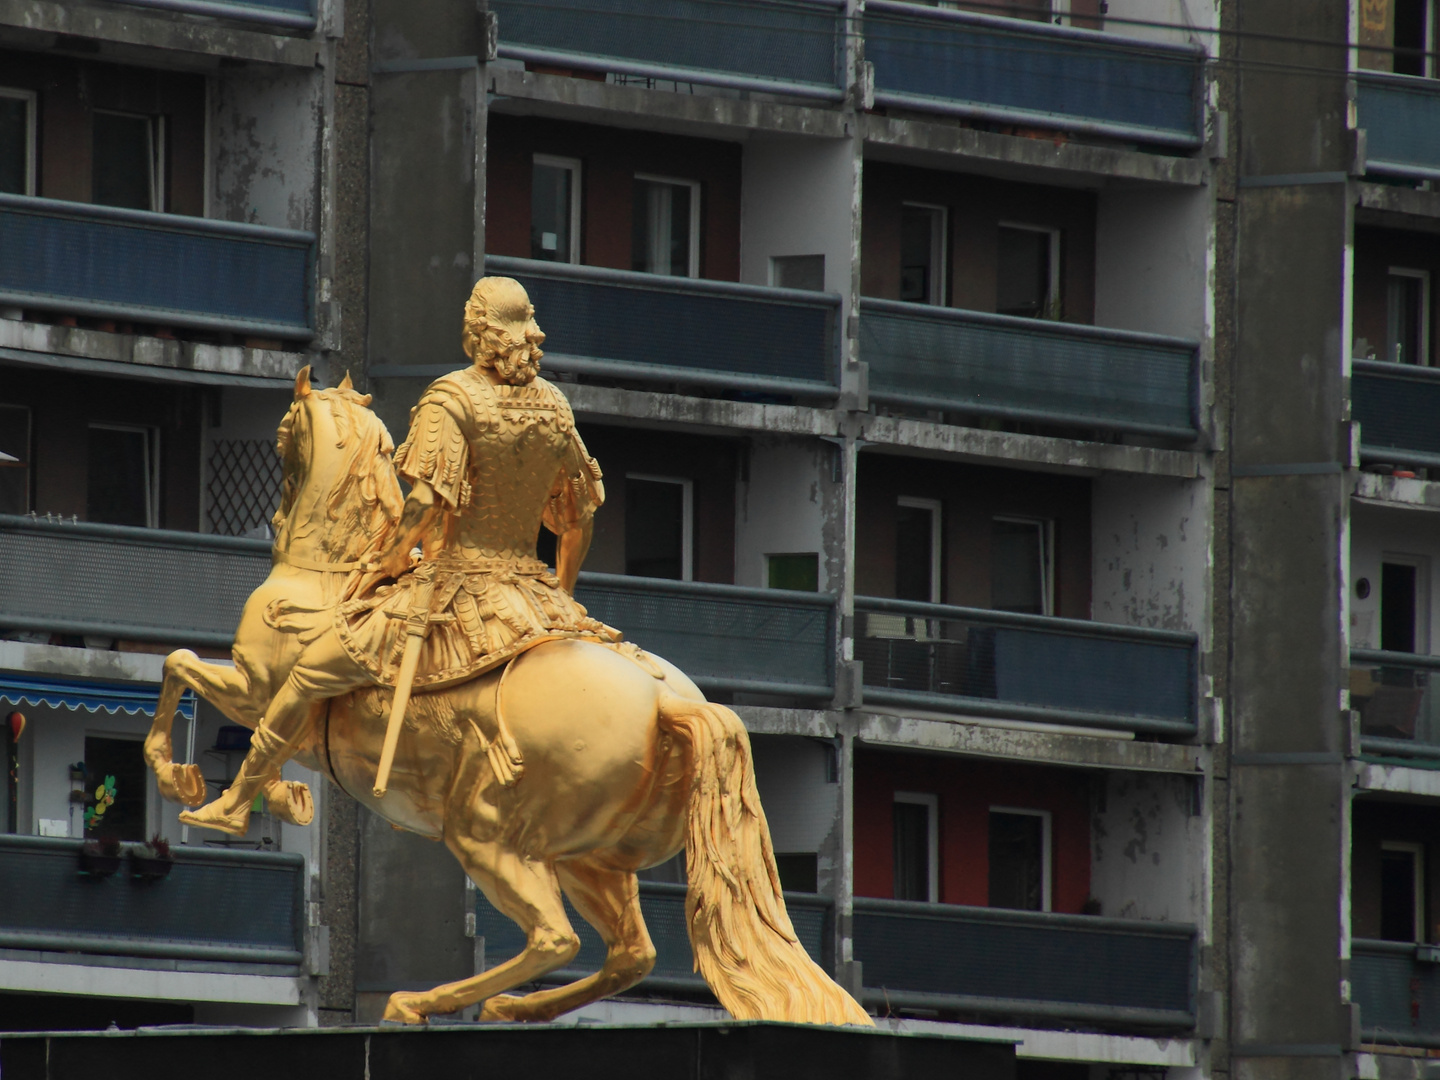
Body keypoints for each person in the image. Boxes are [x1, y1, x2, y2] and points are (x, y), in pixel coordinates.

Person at [181, 277, 617, 835]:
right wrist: (563, 594)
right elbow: (579, 516)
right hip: (537, 599)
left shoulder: (453, 397)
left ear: (479, 331)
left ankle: (237, 802)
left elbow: (425, 503)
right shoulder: (555, 407)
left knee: (309, 673)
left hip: (460, 587)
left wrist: (388, 561)